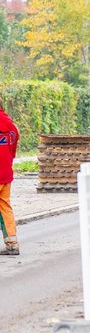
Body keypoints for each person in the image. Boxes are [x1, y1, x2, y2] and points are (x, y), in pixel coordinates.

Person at [0, 102, 18, 256]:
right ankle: (12, 244)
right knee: (5, 206)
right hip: (5, 174)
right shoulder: (11, 126)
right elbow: (12, 150)